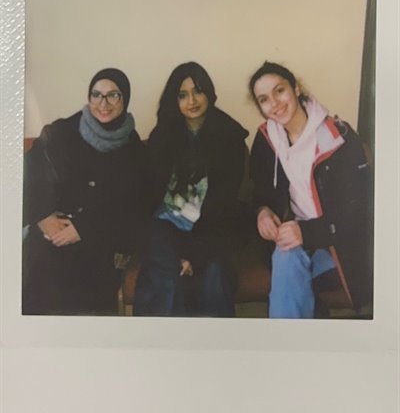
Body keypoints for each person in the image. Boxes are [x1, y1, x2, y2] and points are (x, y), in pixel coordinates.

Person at [248, 60, 373, 319]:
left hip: (340, 247)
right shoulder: (266, 139)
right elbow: (259, 192)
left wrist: (306, 231)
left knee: (286, 262)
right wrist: (262, 211)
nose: (275, 103)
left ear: (296, 88)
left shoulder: (339, 138)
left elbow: (361, 213)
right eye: (264, 99)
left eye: (279, 91)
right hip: (296, 244)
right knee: (286, 255)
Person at [22, 68, 148, 315]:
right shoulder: (60, 132)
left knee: (90, 299)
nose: (104, 104)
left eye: (113, 95)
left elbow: (133, 205)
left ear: (125, 100)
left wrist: (85, 229)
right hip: (52, 234)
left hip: (100, 239)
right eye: (96, 95)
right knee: (43, 283)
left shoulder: (133, 148)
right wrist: (42, 217)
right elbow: (31, 176)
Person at [133, 62, 249, 317]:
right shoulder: (163, 135)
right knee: (168, 277)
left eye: (198, 91)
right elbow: (146, 200)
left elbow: (225, 207)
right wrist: (176, 255)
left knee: (215, 277)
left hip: (211, 229)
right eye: (182, 95)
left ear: (209, 92)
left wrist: (193, 256)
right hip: (164, 229)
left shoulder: (229, 138)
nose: (192, 101)